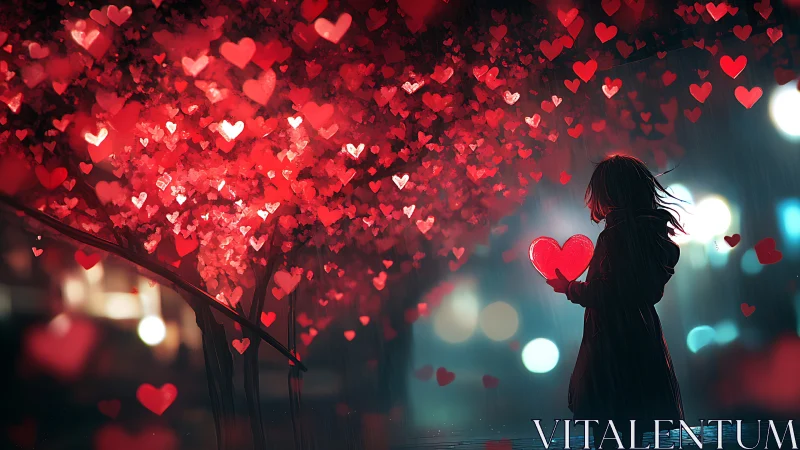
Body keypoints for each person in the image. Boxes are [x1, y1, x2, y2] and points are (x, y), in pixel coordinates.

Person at [545, 155, 685, 449]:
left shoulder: (617, 236)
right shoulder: (652, 233)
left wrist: (571, 288)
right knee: (634, 422)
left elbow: (609, 292)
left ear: (608, 194)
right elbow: (641, 289)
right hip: (642, 333)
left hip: (612, 340)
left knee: (610, 423)